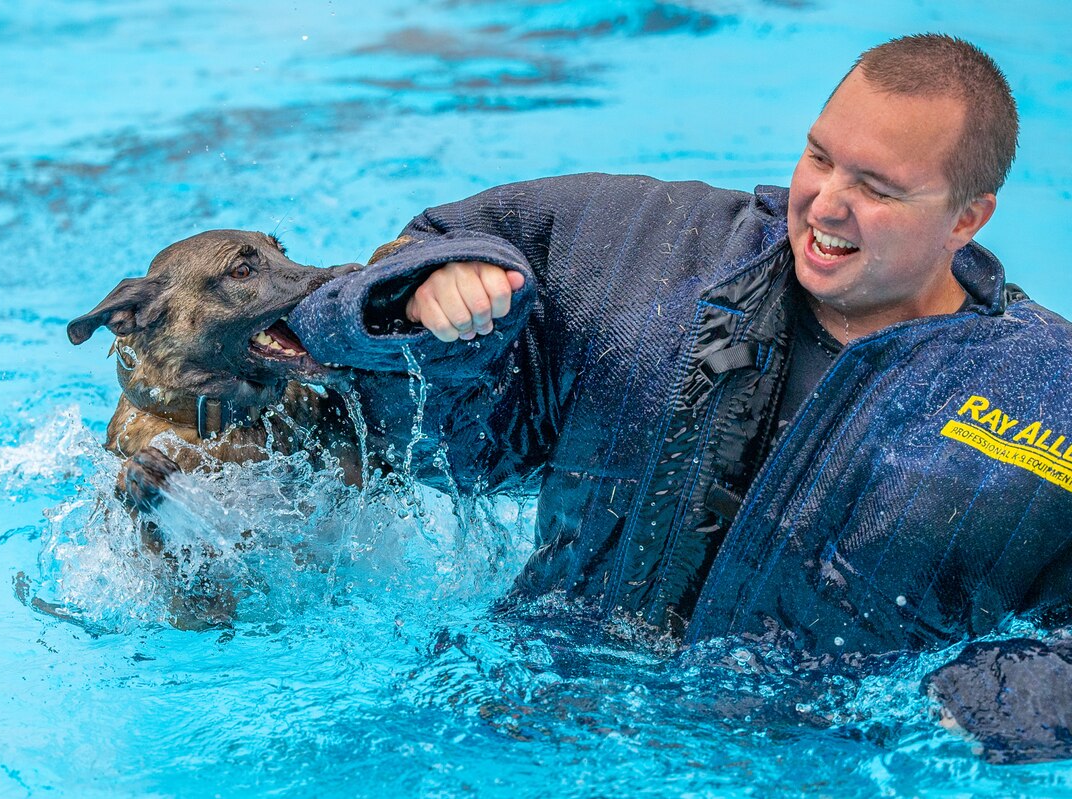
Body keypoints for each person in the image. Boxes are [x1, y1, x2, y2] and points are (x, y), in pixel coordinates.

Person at [288, 34, 1072, 760]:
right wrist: (431, 301)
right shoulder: (650, 251)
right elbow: (397, 373)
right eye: (820, 157)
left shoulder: (1045, 397)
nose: (826, 203)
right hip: (525, 722)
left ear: (967, 217)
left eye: (877, 188)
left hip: (803, 761)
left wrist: (1010, 698)